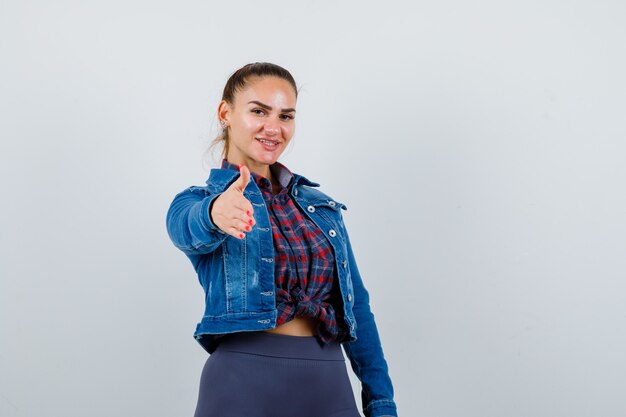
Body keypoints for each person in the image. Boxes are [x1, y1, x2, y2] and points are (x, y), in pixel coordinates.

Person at [165, 62, 398, 417]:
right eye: (259, 111)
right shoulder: (200, 201)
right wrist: (214, 213)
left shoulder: (321, 209)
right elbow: (186, 229)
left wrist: (381, 402)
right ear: (225, 113)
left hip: (328, 385)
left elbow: (358, 309)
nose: (273, 128)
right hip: (241, 385)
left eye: (286, 116)